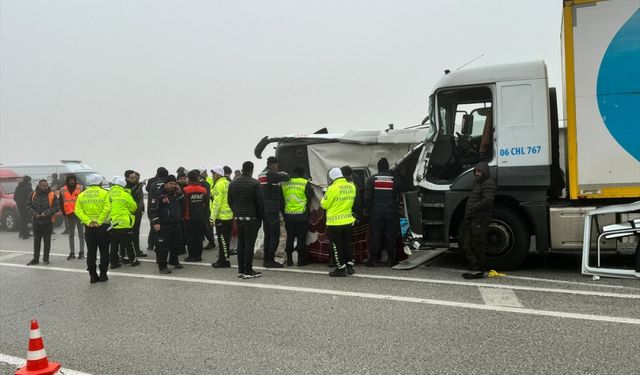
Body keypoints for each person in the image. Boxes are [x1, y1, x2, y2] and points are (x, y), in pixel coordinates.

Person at [363, 157, 407, 267]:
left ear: (378, 167)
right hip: (391, 211)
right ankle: (391, 259)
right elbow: (404, 189)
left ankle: (373, 260)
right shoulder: (395, 179)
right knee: (390, 235)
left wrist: (367, 209)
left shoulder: (372, 179)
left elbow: (367, 198)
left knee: (376, 235)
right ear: (387, 167)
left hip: (376, 212)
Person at [228, 161, 263, 279]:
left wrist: (236, 211)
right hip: (252, 218)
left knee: (241, 243)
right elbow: (260, 203)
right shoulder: (255, 183)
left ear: (242, 169)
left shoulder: (233, 183)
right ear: (252, 170)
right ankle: (248, 270)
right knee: (249, 244)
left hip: (238, 217)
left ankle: (240, 270)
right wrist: (260, 218)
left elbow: (230, 201)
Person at [74, 174, 111, 283]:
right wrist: (99, 221)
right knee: (104, 251)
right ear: (100, 183)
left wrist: (89, 222)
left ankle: (93, 276)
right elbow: (107, 208)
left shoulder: (82, 195)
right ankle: (103, 275)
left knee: (91, 251)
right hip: (102, 226)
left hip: (89, 227)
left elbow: (78, 210)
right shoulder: (105, 193)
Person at [462, 161, 496, 279]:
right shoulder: (477, 184)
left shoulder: (489, 183)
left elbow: (488, 200)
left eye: (479, 171)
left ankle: (479, 269)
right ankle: (474, 267)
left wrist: (473, 208)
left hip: (480, 219)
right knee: (467, 245)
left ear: (485, 172)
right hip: (472, 218)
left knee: (478, 244)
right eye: (476, 171)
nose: (477, 173)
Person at [321, 168, 356, 277]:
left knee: (337, 246)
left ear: (331, 177)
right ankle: (350, 266)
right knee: (347, 244)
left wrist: (325, 193)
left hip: (335, 223)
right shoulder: (352, 186)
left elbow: (324, 205)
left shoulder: (332, 188)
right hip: (348, 221)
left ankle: (341, 268)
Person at [258, 156, 290, 268]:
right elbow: (287, 177)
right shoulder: (270, 174)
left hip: (264, 208)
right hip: (272, 207)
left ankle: (267, 258)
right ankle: (270, 259)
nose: (277, 167)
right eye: (276, 165)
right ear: (272, 164)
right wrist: (282, 173)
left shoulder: (261, 174)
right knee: (275, 234)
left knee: (268, 234)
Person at [150, 175, 185, 274]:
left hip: (176, 222)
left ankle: (174, 260)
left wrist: (180, 193)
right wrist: (156, 222)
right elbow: (153, 209)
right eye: (170, 184)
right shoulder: (159, 194)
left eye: (174, 184)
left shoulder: (175, 193)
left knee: (177, 243)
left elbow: (183, 203)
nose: (172, 186)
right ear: (165, 184)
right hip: (164, 224)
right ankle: (162, 266)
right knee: (163, 246)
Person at [281, 164, 314, 266]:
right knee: (301, 238)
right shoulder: (304, 182)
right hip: (301, 215)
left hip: (288, 215)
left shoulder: (285, 183)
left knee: (290, 237)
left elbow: (281, 198)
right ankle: (301, 260)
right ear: (302, 173)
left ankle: (290, 260)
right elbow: (311, 194)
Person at [26, 179, 59, 266]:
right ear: (39, 186)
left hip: (48, 222)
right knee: (36, 241)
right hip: (36, 222)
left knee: (47, 241)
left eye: (47, 185)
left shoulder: (52, 194)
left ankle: (46, 259)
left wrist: (46, 213)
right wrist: (34, 213)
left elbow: (57, 207)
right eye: (43, 186)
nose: (46, 187)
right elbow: (28, 205)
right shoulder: (33, 194)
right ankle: (35, 259)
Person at [109, 176, 138, 268]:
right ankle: (133, 260)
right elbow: (133, 207)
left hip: (113, 222)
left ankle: (114, 263)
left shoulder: (108, 193)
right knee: (128, 242)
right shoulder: (125, 194)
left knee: (114, 245)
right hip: (125, 222)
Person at [182, 170, 209, 262]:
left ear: (189, 178)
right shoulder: (203, 189)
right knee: (199, 237)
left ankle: (192, 256)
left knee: (191, 238)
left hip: (189, 217)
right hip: (201, 217)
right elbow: (206, 204)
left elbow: (183, 204)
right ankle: (199, 256)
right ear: (197, 178)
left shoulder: (185, 190)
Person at [211, 166, 234, 268]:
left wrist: (212, 218)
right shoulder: (228, 183)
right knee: (226, 240)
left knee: (222, 240)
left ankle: (224, 261)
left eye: (214, 173)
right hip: (229, 216)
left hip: (221, 217)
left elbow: (216, 203)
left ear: (219, 174)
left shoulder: (218, 185)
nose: (212, 175)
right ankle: (223, 259)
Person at [60, 174, 85, 260]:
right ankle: (72, 252)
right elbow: (61, 203)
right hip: (69, 215)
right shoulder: (63, 189)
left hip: (79, 214)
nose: (72, 182)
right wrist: (65, 213)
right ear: (68, 181)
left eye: (73, 180)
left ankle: (81, 252)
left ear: (75, 180)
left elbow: (84, 202)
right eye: (70, 180)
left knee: (81, 234)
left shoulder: (81, 188)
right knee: (71, 234)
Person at [125, 170, 147, 258]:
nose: (135, 179)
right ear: (127, 178)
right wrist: (139, 185)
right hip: (131, 213)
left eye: (136, 178)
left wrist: (142, 208)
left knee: (136, 232)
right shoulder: (127, 186)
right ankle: (131, 252)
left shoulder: (137, 185)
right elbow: (132, 193)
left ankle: (136, 250)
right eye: (133, 178)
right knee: (130, 233)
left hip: (138, 212)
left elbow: (140, 198)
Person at [146, 167, 169, 250]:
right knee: (164, 228)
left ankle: (151, 245)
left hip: (153, 209)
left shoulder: (152, 183)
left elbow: (147, 190)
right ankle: (162, 244)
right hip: (165, 209)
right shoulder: (168, 183)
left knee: (153, 227)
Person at [200, 168, 217, 250]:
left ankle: (211, 241)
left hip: (207, 206)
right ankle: (211, 240)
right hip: (208, 205)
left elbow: (208, 194)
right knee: (207, 226)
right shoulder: (204, 182)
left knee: (206, 226)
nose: (206, 173)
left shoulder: (206, 182)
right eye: (204, 172)